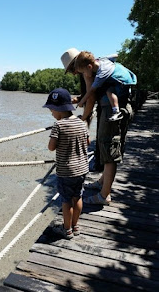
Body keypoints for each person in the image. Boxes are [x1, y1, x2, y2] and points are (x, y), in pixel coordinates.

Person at [61, 48, 137, 205]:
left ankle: (104, 195)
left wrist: (83, 118)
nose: (73, 73)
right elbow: (87, 96)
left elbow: (90, 98)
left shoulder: (87, 73)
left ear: (77, 64)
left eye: (72, 69)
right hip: (119, 106)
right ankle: (103, 182)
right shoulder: (94, 65)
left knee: (108, 148)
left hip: (112, 110)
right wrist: (73, 100)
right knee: (108, 146)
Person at [43, 87, 89, 239]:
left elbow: (51, 147)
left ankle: (67, 230)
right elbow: (87, 142)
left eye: (51, 110)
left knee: (66, 201)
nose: (51, 113)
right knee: (78, 197)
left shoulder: (59, 125)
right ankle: (76, 226)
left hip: (66, 171)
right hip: (82, 169)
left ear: (59, 109)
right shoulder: (82, 123)